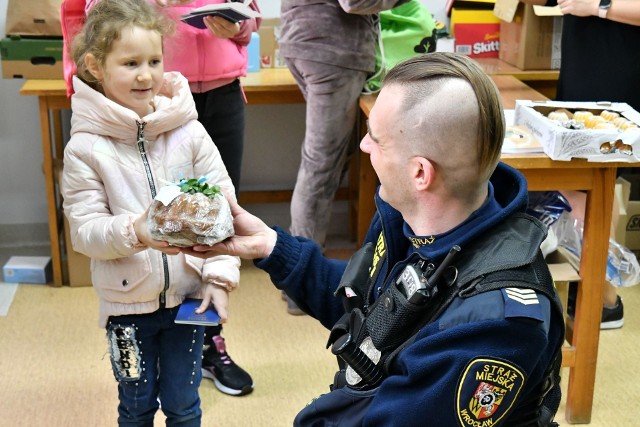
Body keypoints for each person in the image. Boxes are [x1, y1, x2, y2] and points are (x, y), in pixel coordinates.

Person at [186, 52, 566, 426]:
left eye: (376, 139)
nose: (364, 147)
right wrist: (271, 246)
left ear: (421, 173)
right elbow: (370, 307)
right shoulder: (414, 222)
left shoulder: (493, 324)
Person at [61, 0, 240, 424]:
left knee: (184, 404)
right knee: (136, 405)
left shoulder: (190, 132)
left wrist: (218, 277)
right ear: (95, 66)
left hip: (191, 300)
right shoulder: (85, 148)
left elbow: (223, 212)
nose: (146, 74)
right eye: (130, 63)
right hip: (126, 307)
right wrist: (136, 230)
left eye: (155, 60)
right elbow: (85, 231)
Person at [152, 0, 261, 396]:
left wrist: (238, 31)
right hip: (162, 99)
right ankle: (167, 343)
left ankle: (207, 342)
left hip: (224, 94)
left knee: (219, 217)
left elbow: (250, 17)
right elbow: (103, 14)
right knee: (169, 220)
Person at [278, 0, 408, 315]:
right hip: (332, 49)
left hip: (309, 41)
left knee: (326, 162)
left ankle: (301, 277)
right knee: (320, 165)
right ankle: (301, 285)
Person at [521, 0, 640, 329]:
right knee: (573, 185)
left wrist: (600, 6)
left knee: (593, 184)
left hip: (621, 68)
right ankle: (590, 294)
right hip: (583, 67)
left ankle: (603, 299)